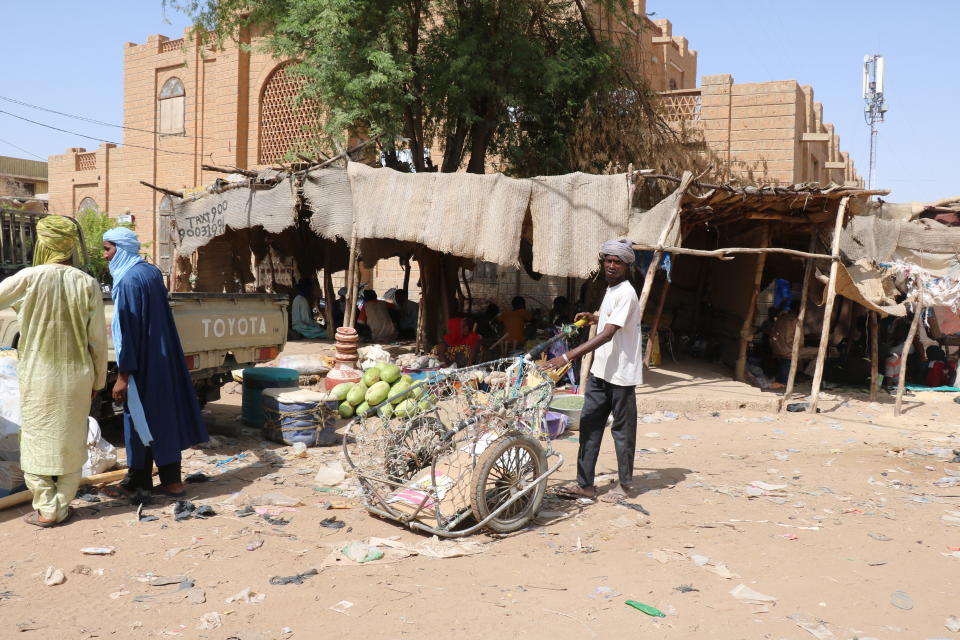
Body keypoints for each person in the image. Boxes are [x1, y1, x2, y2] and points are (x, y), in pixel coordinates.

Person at [0, 216, 106, 526]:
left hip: (39, 376)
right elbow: (97, 340)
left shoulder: (28, 277)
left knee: (36, 437)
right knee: (71, 437)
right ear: (69, 246)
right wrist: (98, 379)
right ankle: (63, 503)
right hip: (78, 375)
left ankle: (47, 507)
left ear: (43, 244)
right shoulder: (86, 282)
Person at [102, 228, 208, 500]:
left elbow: (128, 333)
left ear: (121, 249)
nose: (105, 256)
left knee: (136, 417)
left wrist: (123, 376)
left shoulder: (127, 281)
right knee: (162, 416)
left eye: (108, 249)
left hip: (142, 364)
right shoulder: (149, 272)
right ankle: (172, 480)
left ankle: (136, 481)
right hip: (162, 358)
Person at [543, 239, 642, 503]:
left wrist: (567, 356)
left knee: (622, 431)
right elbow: (609, 321)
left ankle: (625, 485)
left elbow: (609, 334)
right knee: (589, 426)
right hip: (601, 371)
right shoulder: (611, 290)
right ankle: (585, 485)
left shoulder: (627, 293)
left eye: (617, 262)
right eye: (608, 260)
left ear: (627, 265)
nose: (611, 265)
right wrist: (595, 317)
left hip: (621, 375)